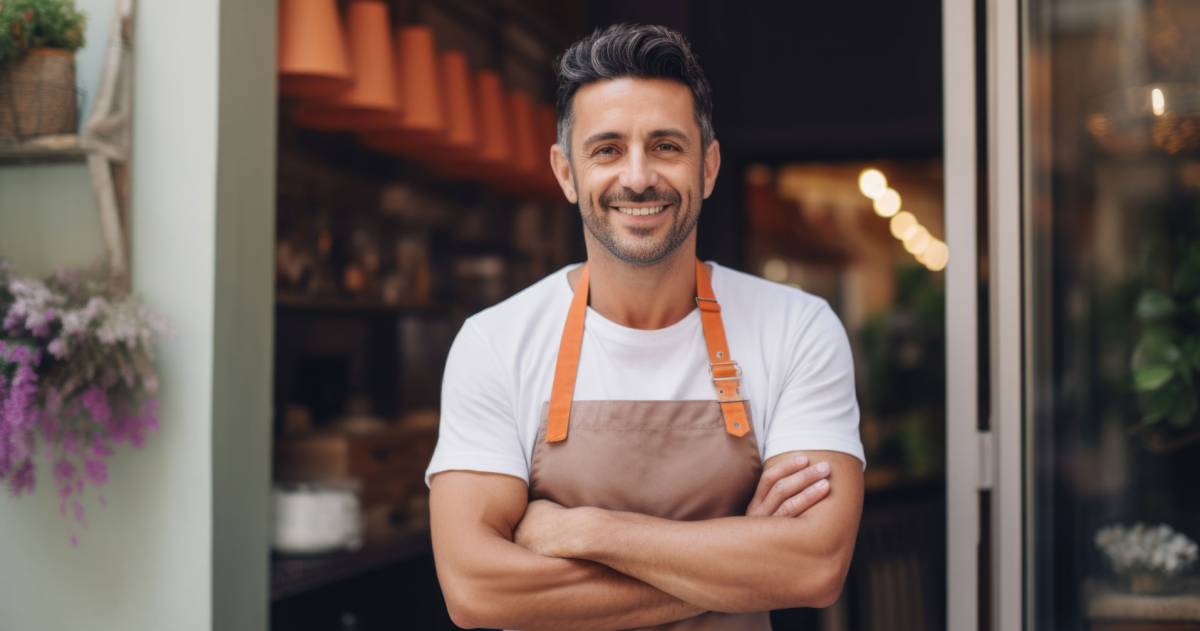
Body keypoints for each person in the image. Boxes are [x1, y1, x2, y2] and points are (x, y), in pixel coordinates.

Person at [426, 23, 865, 631]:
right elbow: (476, 590)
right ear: (565, 172)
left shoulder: (796, 328)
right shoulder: (495, 342)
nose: (637, 177)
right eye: (607, 149)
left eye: (666, 146)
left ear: (707, 168)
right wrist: (746, 557)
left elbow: (814, 567)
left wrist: (584, 529)